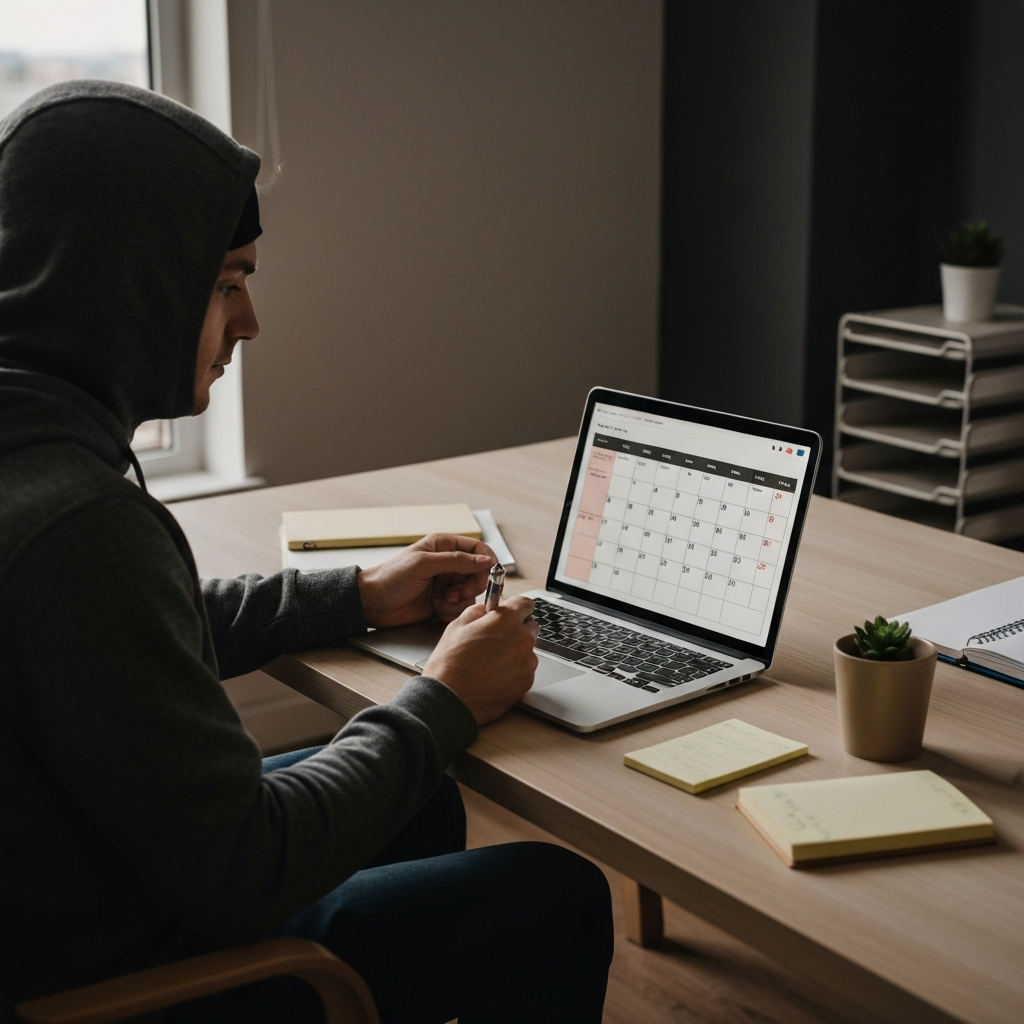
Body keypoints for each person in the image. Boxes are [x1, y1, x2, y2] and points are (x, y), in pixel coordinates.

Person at [0, 81, 613, 1023]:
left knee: (422, 805)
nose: (249, 325)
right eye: (226, 283)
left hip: (66, 894)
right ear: (131, 284)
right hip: (119, 982)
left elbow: (121, 640)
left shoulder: (30, 461)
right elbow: (250, 869)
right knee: (556, 895)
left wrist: (357, 593)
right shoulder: (75, 522)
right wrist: (446, 697)